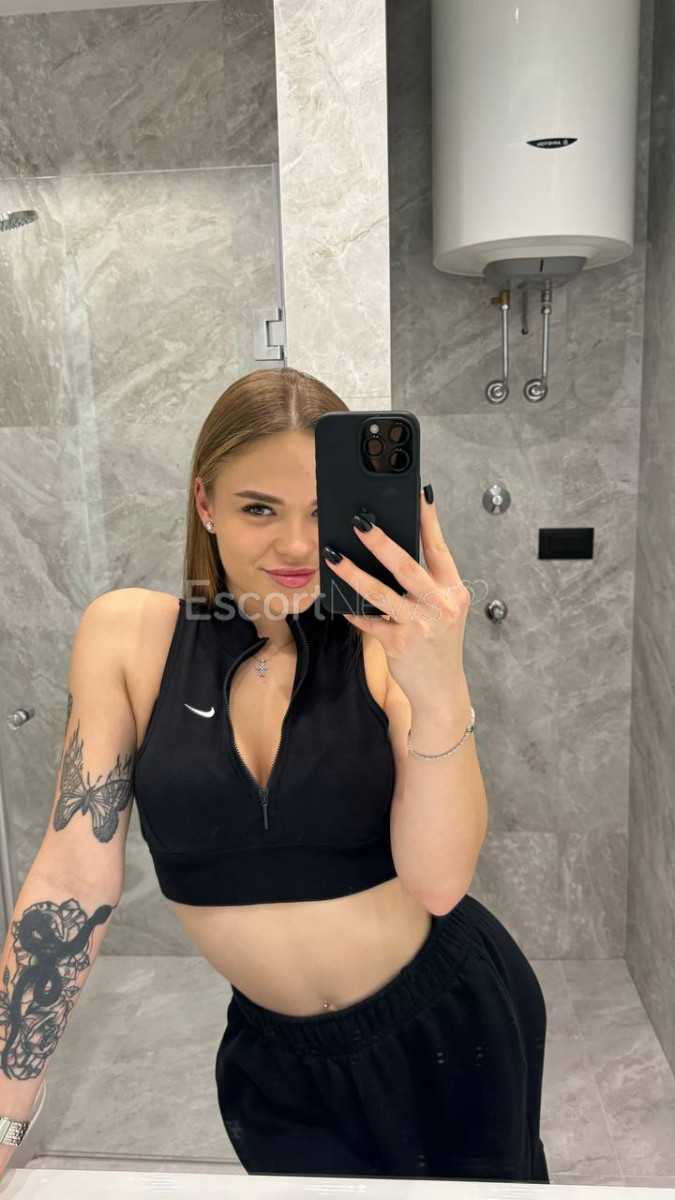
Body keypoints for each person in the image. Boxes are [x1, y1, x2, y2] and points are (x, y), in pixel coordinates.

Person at [0, 367, 549, 1183]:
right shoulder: (127, 638)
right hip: (276, 1062)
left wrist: (440, 686)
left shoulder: (383, 649)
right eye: (259, 508)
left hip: (449, 1023)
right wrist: (5, 1115)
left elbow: (438, 885)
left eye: (322, 512)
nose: (295, 546)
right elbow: (71, 879)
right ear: (205, 503)